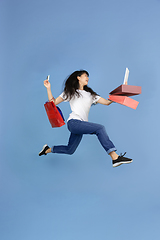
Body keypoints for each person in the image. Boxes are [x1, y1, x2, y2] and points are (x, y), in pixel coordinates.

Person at [39, 70, 132, 167]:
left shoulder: (91, 94)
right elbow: (53, 103)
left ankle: (47, 149)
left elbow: (107, 102)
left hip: (81, 125)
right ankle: (115, 157)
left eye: (88, 76)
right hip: (74, 123)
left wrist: (121, 92)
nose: (87, 78)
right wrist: (48, 88)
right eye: (85, 76)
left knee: (70, 150)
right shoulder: (71, 92)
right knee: (99, 128)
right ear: (78, 77)